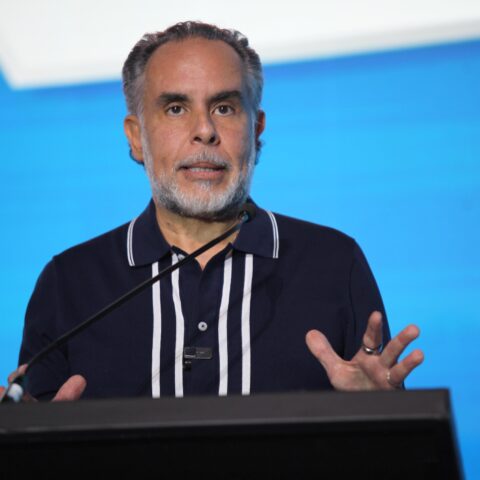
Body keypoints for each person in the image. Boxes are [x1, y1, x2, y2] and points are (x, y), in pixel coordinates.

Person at [1, 21, 423, 402]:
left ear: (256, 130)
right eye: (176, 108)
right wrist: (31, 441)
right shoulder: (69, 283)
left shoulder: (333, 263)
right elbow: (37, 436)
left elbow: (395, 447)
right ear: (136, 137)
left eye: (224, 108)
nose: (204, 130)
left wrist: (382, 413)